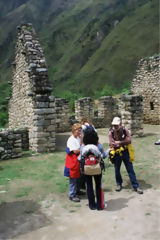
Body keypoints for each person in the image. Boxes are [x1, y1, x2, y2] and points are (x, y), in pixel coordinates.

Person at [108, 117, 143, 194]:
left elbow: (129, 140)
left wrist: (119, 142)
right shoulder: (111, 132)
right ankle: (119, 184)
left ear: (120, 124)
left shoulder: (124, 130)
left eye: (116, 125)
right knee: (117, 169)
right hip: (117, 152)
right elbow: (112, 143)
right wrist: (122, 142)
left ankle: (135, 185)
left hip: (125, 151)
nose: (115, 126)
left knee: (130, 169)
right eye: (114, 125)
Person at [81, 128, 109, 210]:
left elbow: (80, 158)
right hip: (97, 168)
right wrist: (108, 150)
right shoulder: (98, 145)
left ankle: (92, 205)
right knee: (98, 186)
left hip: (87, 168)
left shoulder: (83, 146)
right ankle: (100, 205)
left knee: (89, 186)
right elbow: (103, 156)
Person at [64, 123, 82, 202]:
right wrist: (82, 150)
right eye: (78, 130)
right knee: (73, 178)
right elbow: (74, 150)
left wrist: (81, 139)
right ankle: (72, 195)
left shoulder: (77, 138)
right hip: (72, 160)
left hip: (77, 159)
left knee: (78, 177)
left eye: (80, 131)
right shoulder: (71, 140)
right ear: (74, 130)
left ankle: (77, 191)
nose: (80, 132)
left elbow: (80, 145)